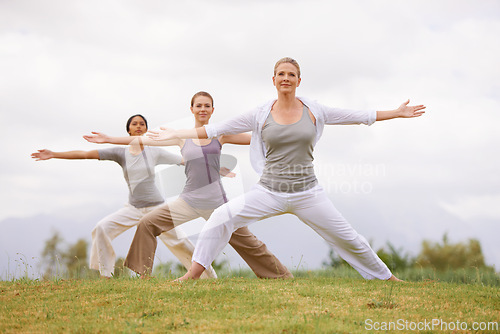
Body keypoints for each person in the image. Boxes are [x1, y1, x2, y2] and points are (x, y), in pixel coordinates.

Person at [149, 57, 426, 281]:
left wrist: (396, 112)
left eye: (291, 74)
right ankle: (194, 275)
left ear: (298, 80)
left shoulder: (314, 110)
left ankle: (387, 279)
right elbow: (217, 128)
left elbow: (356, 117)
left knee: (348, 237)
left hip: (308, 193)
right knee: (221, 216)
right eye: (281, 74)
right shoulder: (260, 113)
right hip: (269, 191)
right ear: (273, 80)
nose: (285, 78)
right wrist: (178, 133)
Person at [84, 92, 292, 279]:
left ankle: (281, 275)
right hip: (188, 201)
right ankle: (144, 277)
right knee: (147, 223)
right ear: (191, 109)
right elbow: (144, 141)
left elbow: (257, 139)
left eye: (207, 105)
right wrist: (108, 138)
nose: (202, 109)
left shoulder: (221, 134)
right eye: (198, 105)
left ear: (212, 110)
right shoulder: (181, 136)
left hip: (217, 204)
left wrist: (282, 132)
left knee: (248, 243)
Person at [32, 114, 216, 278]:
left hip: (157, 208)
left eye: (142, 124)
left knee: (180, 241)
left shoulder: (154, 151)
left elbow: (184, 160)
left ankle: (208, 276)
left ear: (146, 129)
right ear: (128, 129)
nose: (138, 126)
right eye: (134, 124)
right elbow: (86, 154)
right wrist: (54, 154)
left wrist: (214, 168)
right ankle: (106, 274)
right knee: (102, 228)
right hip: (133, 208)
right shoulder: (120, 152)